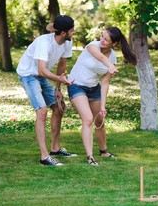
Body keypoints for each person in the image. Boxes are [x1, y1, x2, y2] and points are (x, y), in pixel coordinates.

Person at [67, 27, 137, 166]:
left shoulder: (112, 57)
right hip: (76, 85)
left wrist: (103, 106)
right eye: (102, 36)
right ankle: (90, 157)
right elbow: (100, 56)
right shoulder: (92, 46)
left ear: (114, 44)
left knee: (99, 120)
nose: (102, 40)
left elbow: (105, 83)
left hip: (94, 88)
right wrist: (110, 66)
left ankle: (103, 151)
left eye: (106, 39)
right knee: (87, 119)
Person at [16, 15, 78, 166]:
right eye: (71, 30)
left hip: (40, 76)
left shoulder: (66, 42)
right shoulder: (44, 43)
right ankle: (44, 157)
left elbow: (62, 64)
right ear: (63, 33)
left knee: (58, 107)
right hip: (29, 75)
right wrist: (59, 79)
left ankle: (55, 149)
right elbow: (41, 70)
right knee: (42, 111)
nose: (74, 32)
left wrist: (58, 88)